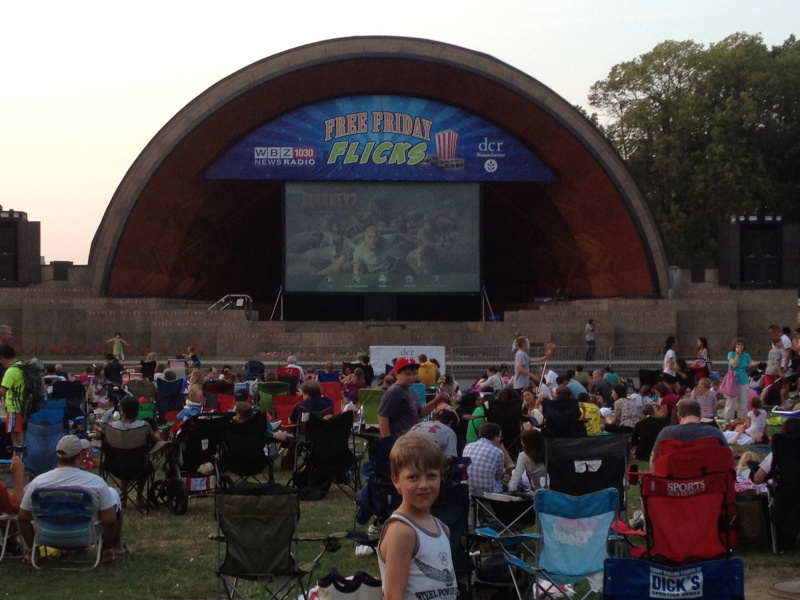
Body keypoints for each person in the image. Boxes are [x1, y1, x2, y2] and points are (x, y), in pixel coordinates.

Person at [18, 435, 127, 563]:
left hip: (48, 537)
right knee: (113, 498)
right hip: (85, 537)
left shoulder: (38, 483)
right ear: (80, 455)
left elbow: (23, 518)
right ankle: (115, 547)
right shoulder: (96, 483)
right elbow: (109, 521)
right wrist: (107, 546)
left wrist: (32, 547)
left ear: (57, 456)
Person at [377, 433, 455, 600]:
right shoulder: (402, 531)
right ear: (396, 481)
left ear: (441, 477)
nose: (424, 485)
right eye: (413, 477)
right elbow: (393, 596)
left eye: (431, 476)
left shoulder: (443, 529)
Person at [649, 399, 729, 471]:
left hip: (674, 483)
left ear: (679, 417)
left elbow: (653, 460)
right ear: (700, 415)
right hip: (706, 482)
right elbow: (727, 457)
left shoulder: (666, 433)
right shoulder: (715, 433)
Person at [378, 357, 438, 439]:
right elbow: (383, 417)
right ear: (397, 374)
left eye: (414, 374)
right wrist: (388, 442)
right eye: (407, 374)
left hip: (410, 438)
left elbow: (419, 413)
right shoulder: (394, 391)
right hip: (399, 440)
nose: (411, 377)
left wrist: (437, 401)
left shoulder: (410, 390)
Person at [463, 422, 505, 496]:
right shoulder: (498, 452)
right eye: (500, 437)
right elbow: (498, 477)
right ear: (495, 437)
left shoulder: (468, 446)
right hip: (488, 494)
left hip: (467, 490)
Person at [0, 345, 26, 453]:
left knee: (16, 439)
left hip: (14, 408)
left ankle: (17, 461)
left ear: (3, 357)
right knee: (20, 437)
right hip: (23, 406)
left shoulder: (11, 371)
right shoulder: (22, 366)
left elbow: (2, 392)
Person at [724, 338, 752, 420]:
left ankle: (741, 422)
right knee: (730, 404)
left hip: (744, 381)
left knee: (743, 404)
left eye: (742, 344)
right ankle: (727, 422)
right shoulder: (731, 354)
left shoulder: (747, 355)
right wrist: (737, 354)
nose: (740, 346)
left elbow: (749, 365)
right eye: (738, 344)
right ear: (734, 345)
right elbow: (733, 365)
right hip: (733, 381)